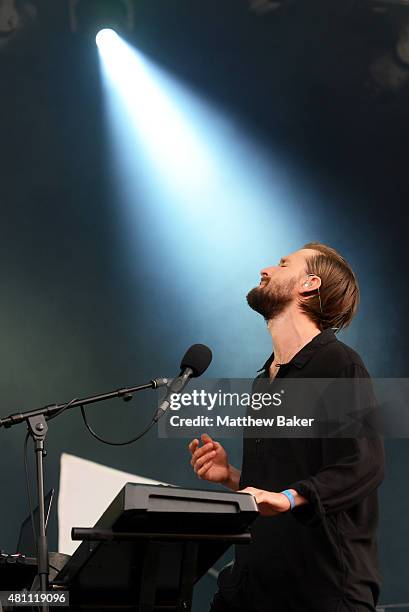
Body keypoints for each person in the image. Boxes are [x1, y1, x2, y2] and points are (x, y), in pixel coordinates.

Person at [188, 243, 385, 612]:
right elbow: (276, 488)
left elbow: (363, 465)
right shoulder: (264, 381)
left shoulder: (339, 363)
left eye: (282, 264)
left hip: (320, 591)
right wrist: (231, 476)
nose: (265, 269)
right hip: (253, 587)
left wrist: (290, 498)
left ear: (309, 284)